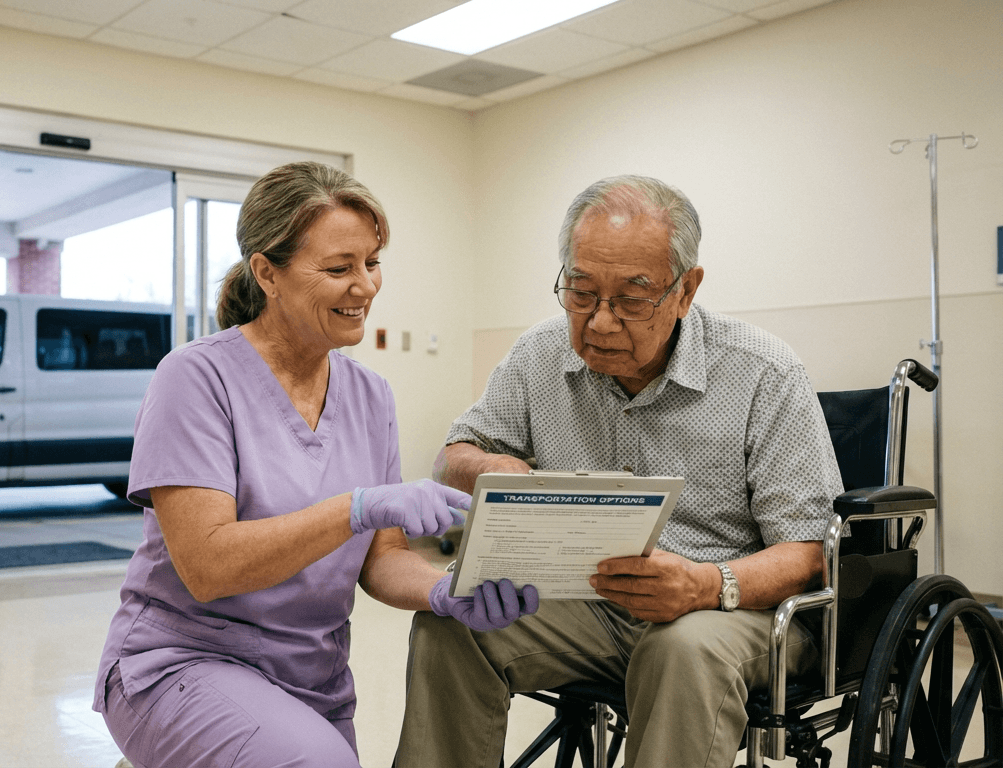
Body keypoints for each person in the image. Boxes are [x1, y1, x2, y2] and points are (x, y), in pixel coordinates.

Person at [94, 161, 539, 768]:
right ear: (266, 273)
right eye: (338, 269)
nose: (365, 286)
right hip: (184, 661)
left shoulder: (370, 395)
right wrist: (354, 509)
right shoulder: (196, 379)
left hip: (312, 680)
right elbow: (207, 566)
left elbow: (382, 560)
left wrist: (445, 590)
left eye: (372, 263)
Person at [393, 175, 843, 768]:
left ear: (686, 290)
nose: (600, 322)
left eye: (631, 300)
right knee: (453, 620)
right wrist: (492, 467)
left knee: (682, 648)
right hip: (587, 602)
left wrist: (703, 584)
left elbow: (809, 553)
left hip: (732, 614)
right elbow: (453, 454)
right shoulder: (539, 356)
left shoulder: (764, 374)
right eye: (580, 293)